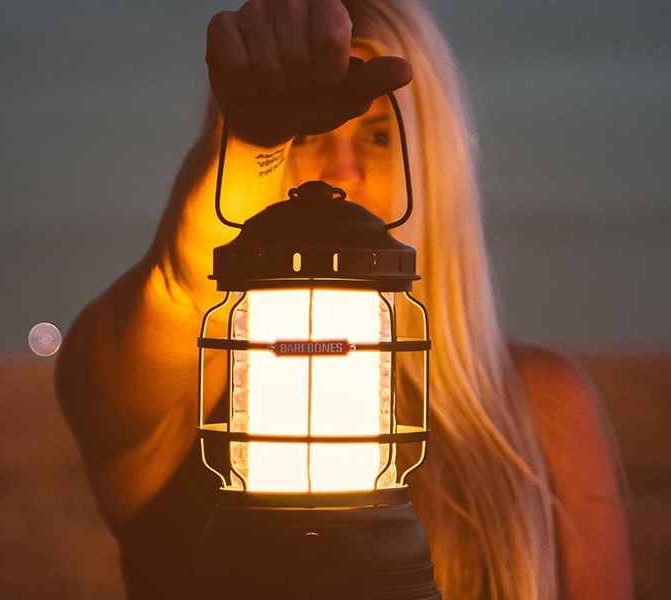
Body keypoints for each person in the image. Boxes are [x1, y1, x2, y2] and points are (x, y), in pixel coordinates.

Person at [54, 1, 632, 598]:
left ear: (430, 162)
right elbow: (179, 289)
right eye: (306, 135)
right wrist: (254, 141)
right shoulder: (180, 405)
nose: (341, 173)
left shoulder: (537, 414)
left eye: (378, 135)